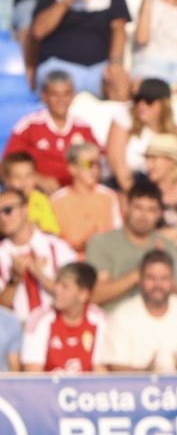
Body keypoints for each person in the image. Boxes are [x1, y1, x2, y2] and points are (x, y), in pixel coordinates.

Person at [101, 249, 177, 373]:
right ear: (140, 280)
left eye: (164, 278)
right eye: (151, 278)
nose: (157, 285)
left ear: (172, 281)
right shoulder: (122, 315)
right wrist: (147, 375)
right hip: (137, 385)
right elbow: (116, 367)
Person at [87, 179, 177, 307]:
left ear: (159, 214)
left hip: (156, 317)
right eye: (138, 207)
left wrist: (161, 266)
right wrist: (144, 270)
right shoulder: (101, 242)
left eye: (151, 210)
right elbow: (95, 296)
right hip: (113, 316)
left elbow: (176, 295)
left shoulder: (167, 246)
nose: (143, 215)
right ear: (127, 207)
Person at [6, 70, 98, 191]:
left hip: (77, 192)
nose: (61, 100)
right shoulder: (29, 126)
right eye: (55, 94)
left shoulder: (84, 128)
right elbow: (8, 165)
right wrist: (38, 179)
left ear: (73, 96)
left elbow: (96, 163)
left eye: (66, 94)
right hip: (38, 193)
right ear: (44, 96)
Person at [0, 185, 77, 317]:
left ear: (25, 209)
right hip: (16, 327)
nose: (2, 217)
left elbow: (75, 293)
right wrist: (15, 280)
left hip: (56, 322)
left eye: (8, 210)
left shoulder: (56, 246)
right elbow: (2, 310)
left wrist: (39, 274)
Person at [19, 261, 104, 372]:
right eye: (57, 283)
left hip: (85, 384)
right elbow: (33, 373)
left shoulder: (98, 320)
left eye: (65, 286)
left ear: (83, 294)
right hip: (48, 383)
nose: (56, 290)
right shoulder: (39, 319)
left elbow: (100, 370)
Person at [109, 77, 177, 190]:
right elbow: (117, 165)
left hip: (166, 190)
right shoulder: (124, 121)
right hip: (127, 188)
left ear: (164, 104)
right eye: (138, 99)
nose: (142, 105)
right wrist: (137, 195)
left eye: (149, 101)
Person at [50, 141, 119, 250]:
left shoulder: (109, 196)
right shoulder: (57, 200)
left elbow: (117, 234)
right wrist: (81, 245)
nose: (94, 170)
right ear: (72, 168)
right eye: (89, 164)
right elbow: (53, 241)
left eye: (97, 164)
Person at [2, 152, 57, 235]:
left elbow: (52, 231)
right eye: (17, 176)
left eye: (28, 176)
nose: (23, 181)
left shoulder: (41, 200)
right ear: (7, 180)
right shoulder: (2, 203)